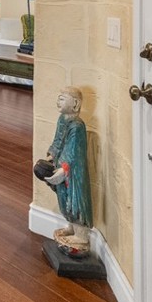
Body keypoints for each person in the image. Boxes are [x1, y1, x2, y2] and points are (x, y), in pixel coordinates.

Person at [41, 86, 94, 257]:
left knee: (74, 200)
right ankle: (71, 226)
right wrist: (50, 157)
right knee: (63, 197)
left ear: (76, 103)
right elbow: (57, 142)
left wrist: (63, 170)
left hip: (73, 172)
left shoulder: (78, 126)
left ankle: (81, 236)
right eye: (59, 96)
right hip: (60, 166)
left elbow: (73, 152)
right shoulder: (62, 120)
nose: (58, 100)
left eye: (63, 98)